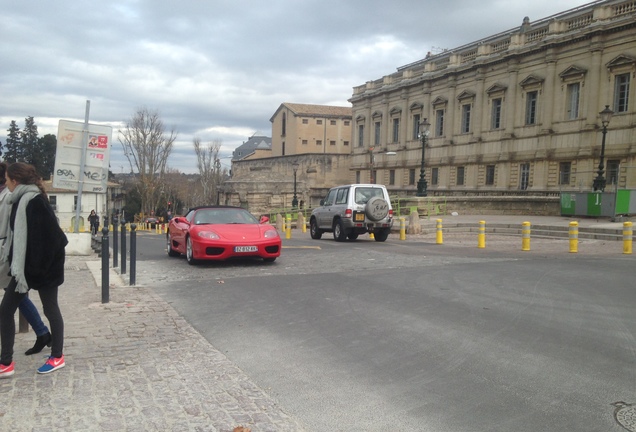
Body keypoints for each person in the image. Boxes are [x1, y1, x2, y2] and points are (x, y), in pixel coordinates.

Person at [0, 163, 68, 378]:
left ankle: (57, 356)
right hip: (23, 269)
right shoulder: (17, 200)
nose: (6, 182)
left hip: (43, 269)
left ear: (15, 181)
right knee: (5, 311)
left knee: (51, 310)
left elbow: (56, 239)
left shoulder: (35, 201)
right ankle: (6, 362)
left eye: (7, 179)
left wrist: (37, 269)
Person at [0, 162, 52, 358]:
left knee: (11, 300)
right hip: (12, 254)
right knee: (13, 297)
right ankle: (42, 333)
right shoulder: (13, 196)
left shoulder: (14, 198)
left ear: (13, 180)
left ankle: (6, 359)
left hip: (9, 254)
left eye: (8, 179)